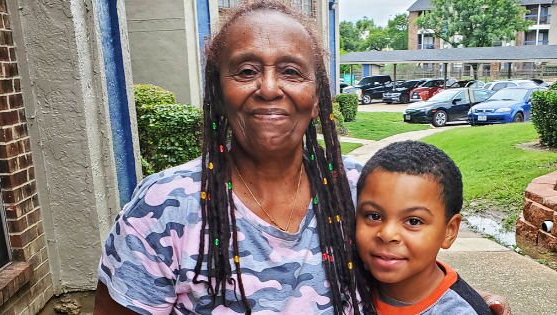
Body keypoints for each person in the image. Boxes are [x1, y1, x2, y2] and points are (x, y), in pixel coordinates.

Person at [94, 2, 510, 314]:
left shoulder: (360, 190)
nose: (270, 88)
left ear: (316, 99)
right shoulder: (165, 206)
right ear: (219, 94)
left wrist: (468, 303)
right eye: (245, 71)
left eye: (291, 72)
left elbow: (413, 268)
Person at [355, 141, 494, 314]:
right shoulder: (346, 286)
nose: (387, 234)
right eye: (374, 216)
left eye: (413, 221)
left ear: (449, 231)